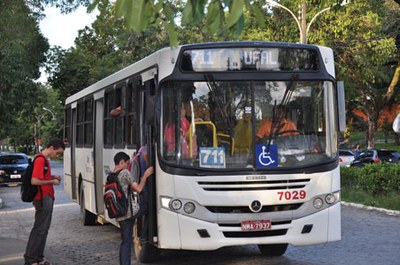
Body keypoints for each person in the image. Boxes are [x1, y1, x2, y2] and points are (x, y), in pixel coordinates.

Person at [24, 138, 65, 265]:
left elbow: (41, 177)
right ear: (51, 148)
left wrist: (52, 177)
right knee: (39, 229)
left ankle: (39, 257)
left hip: (46, 197)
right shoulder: (41, 159)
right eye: (57, 153)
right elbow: (34, 181)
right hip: (42, 198)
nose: (57, 156)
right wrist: (52, 181)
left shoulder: (44, 159)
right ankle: (31, 259)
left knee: (44, 229)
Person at [114, 151, 153, 265]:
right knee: (150, 208)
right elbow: (139, 188)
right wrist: (145, 175)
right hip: (128, 212)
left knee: (125, 242)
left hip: (119, 213)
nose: (128, 166)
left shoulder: (111, 174)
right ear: (122, 162)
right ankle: (144, 236)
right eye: (127, 163)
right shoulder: (125, 173)